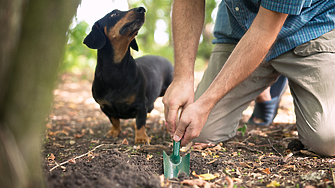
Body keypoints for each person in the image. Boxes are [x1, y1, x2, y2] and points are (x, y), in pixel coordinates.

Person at [163, 0, 335, 156]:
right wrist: (182, 78)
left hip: (310, 27)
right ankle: (265, 92)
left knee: (327, 140)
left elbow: (265, 29)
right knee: (198, 132)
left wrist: (205, 103)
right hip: (239, 28)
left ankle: (279, 78)